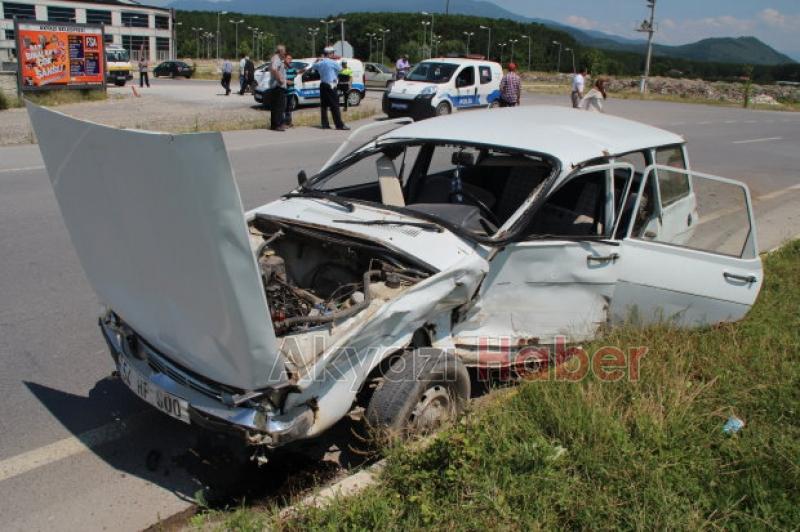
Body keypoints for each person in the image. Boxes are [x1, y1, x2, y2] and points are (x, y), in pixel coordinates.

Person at [308, 47, 348, 130]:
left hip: (323, 84)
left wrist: (317, 60)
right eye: (332, 53)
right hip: (331, 85)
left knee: (324, 105)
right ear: (329, 54)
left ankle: (325, 124)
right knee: (335, 105)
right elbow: (341, 69)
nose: (333, 54)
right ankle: (339, 124)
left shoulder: (320, 63)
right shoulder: (333, 62)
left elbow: (313, 66)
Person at [268, 45, 288, 131]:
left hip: (275, 86)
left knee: (276, 106)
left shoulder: (276, 59)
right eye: (284, 51)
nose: (285, 53)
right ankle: (278, 124)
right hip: (278, 86)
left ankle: (274, 124)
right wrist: (279, 79)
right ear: (280, 51)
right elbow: (273, 69)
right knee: (280, 106)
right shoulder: (276, 59)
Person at [283, 54, 297, 127]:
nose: (290, 60)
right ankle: (283, 123)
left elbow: (295, 74)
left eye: (291, 59)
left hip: (291, 90)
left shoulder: (292, 68)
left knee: (290, 107)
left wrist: (292, 79)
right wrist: (286, 81)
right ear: (284, 59)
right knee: (284, 107)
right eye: (288, 58)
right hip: (284, 91)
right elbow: (279, 78)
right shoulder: (282, 68)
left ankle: (289, 122)